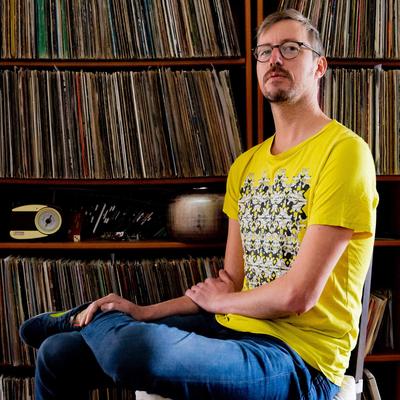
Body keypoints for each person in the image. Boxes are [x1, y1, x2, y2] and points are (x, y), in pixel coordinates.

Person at [20, 9, 378, 400]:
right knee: (56, 354)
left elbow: (298, 295)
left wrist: (222, 301)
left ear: (319, 66)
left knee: (134, 350)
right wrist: (142, 311)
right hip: (231, 328)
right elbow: (230, 280)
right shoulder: (246, 165)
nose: (275, 59)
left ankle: (87, 321)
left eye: (291, 48)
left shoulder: (345, 153)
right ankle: (103, 323)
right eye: (265, 51)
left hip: (300, 359)